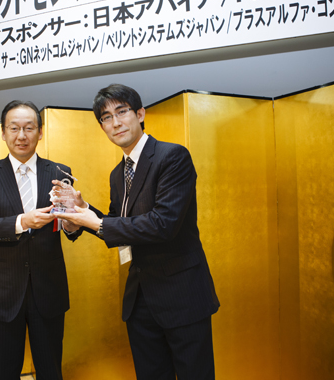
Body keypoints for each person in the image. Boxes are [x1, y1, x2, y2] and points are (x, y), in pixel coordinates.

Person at [53, 84, 220, 379]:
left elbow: (163, 224)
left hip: (182, 295)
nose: (115, 122)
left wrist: (94, 221)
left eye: (122, 112)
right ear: (102, 127)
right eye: (106, 117)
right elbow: (119, 224)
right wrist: (82, 210)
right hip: (140, 299)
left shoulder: (172, 156)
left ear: (140, 114)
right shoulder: (117, 174)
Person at [0, 100, 79, 380]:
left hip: (49, 290)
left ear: (40, 132)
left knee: (51, 370)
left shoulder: (60, 172)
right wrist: (22, 222)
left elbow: (71, 227)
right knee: (5, 372)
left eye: (29, 128)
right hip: (3, 292)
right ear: (3, 132)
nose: (21, 135)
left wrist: (71, 222)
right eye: (14, 128)